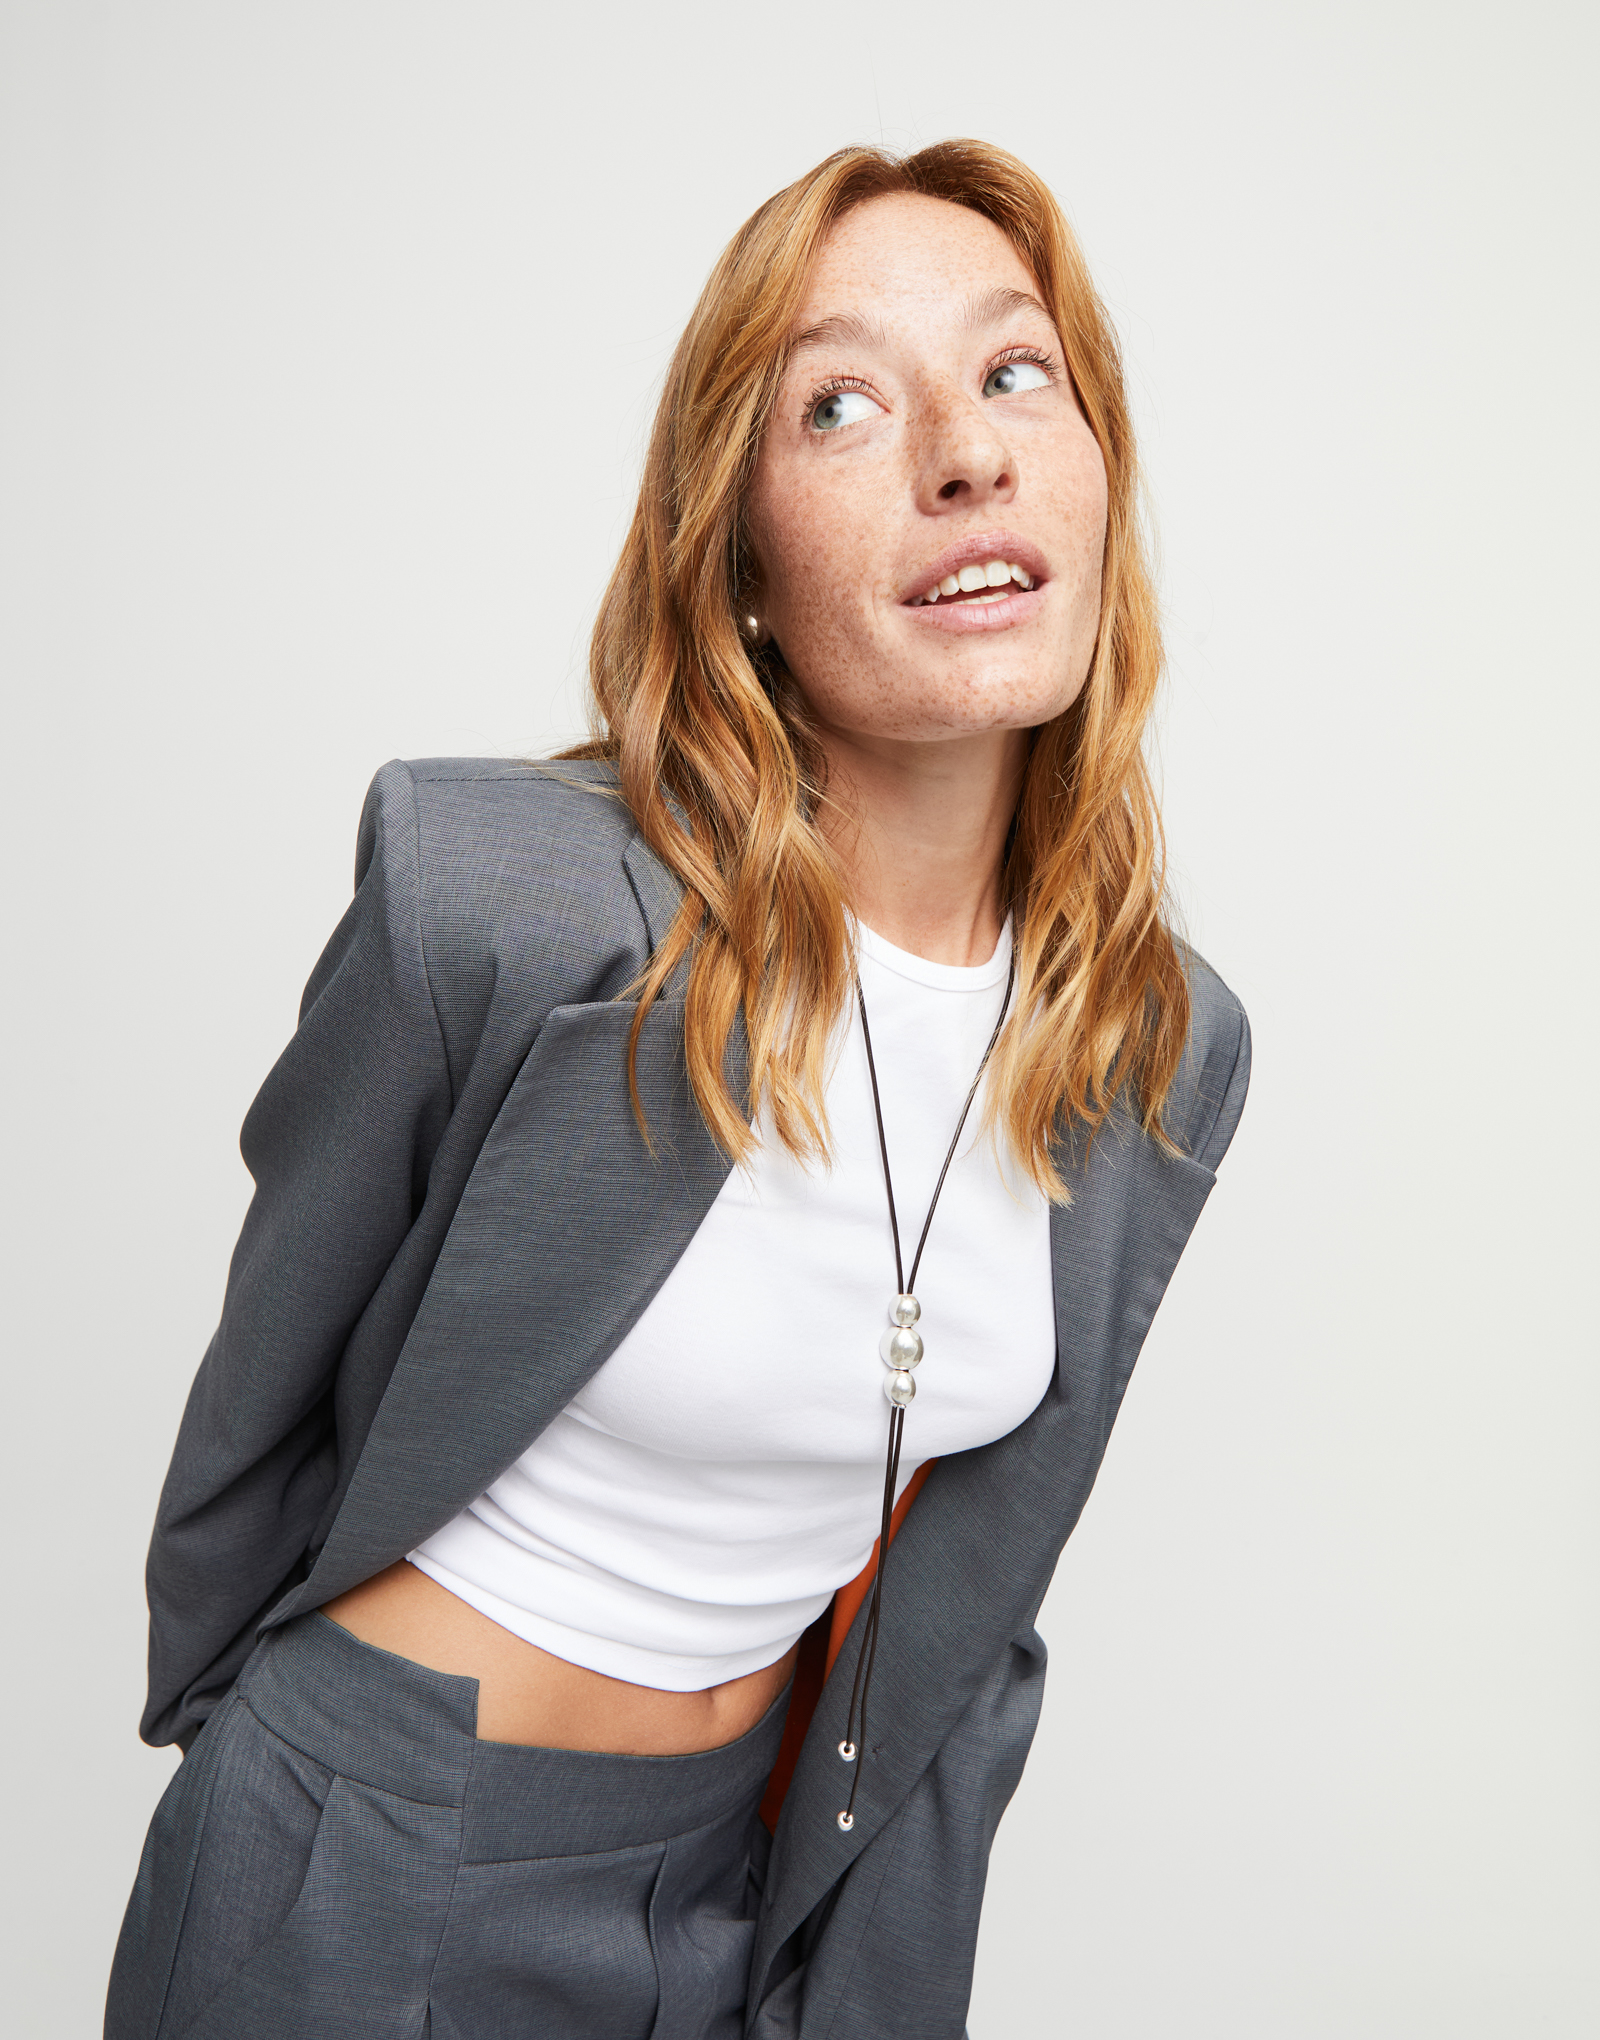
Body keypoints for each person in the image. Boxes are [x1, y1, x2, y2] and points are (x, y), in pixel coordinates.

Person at [106, 138, 1250, 2040]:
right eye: (842, 403)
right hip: (375, 1856)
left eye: (1015, 372)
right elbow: (267, 1384)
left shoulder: (1156, 1042)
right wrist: (271, 1768)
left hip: (739, 1884)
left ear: (1095, 471)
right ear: (740, 562)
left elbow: (955, 1586)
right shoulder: (498, 895)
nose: (963, 451)